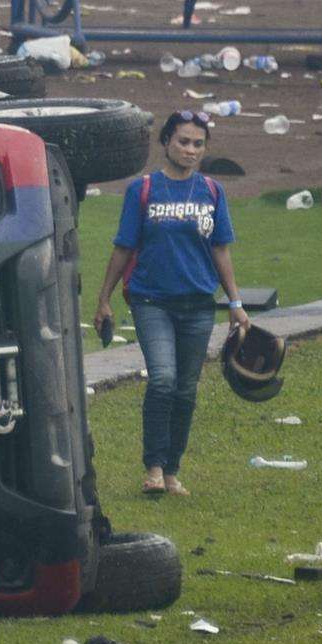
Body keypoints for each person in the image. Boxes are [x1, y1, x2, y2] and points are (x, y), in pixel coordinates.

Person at [92, 110, 249, 497]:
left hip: (198, 305)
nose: (190, 150)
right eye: (183, 141)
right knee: (162, 379)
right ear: (166, 143)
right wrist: (104, 300)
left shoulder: (213, 192)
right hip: (151, 302)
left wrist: (235, 302)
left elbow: (220, 249)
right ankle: (154, 468)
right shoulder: (143, 190)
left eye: (198, 143)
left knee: (185, 390)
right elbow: (124, 247)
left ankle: (174, 470)